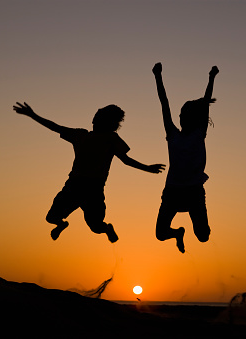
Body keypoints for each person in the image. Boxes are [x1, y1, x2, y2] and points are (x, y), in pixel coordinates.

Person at [13, 102, 165, 242]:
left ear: (109, 123)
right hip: (73, 186)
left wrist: (148, 168)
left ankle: (107, 229)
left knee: (96, 227)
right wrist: (32, 115)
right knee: (51, 218)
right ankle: (61, 225)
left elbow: (126, 160)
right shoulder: (81, 135)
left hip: (94, 189)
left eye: (97, 118)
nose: (93, 121)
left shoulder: (111, 139)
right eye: (94, 117)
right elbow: (56, 127)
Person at [152, 62, 218, 253]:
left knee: (203, 236)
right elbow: (164, 103)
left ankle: (195, 218)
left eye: (184, 116)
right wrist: (157, 76)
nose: (181, 118)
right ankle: (178, 233)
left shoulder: (199, 133)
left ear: (194, 119)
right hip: (172, 191)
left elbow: (205, 103)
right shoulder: (172, 134)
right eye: (180, 115)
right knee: (161, 233)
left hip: (194, 192)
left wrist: (212, 77)